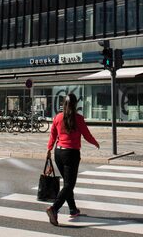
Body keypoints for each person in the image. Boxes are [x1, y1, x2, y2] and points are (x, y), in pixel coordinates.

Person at [45, 93, 99, 226]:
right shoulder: (79, 118)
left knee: (68, 184)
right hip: (71, 154)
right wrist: (95, 143)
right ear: (75, 105)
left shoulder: (58, 117)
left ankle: (73, 209)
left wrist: (49, 149)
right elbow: (87, 135)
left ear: (64, 104)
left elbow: (53, 134)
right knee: (69, 185)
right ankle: (54, 208)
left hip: (58, 153)